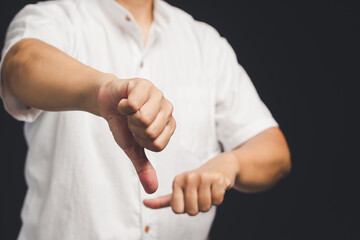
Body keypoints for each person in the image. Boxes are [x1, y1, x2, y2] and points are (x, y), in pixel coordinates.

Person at [0, 0, 291, 239]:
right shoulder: (53, 17)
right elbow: (19, 65)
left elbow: (274, 150)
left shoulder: (205, 44)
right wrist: (99, 90)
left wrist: (231, 164)